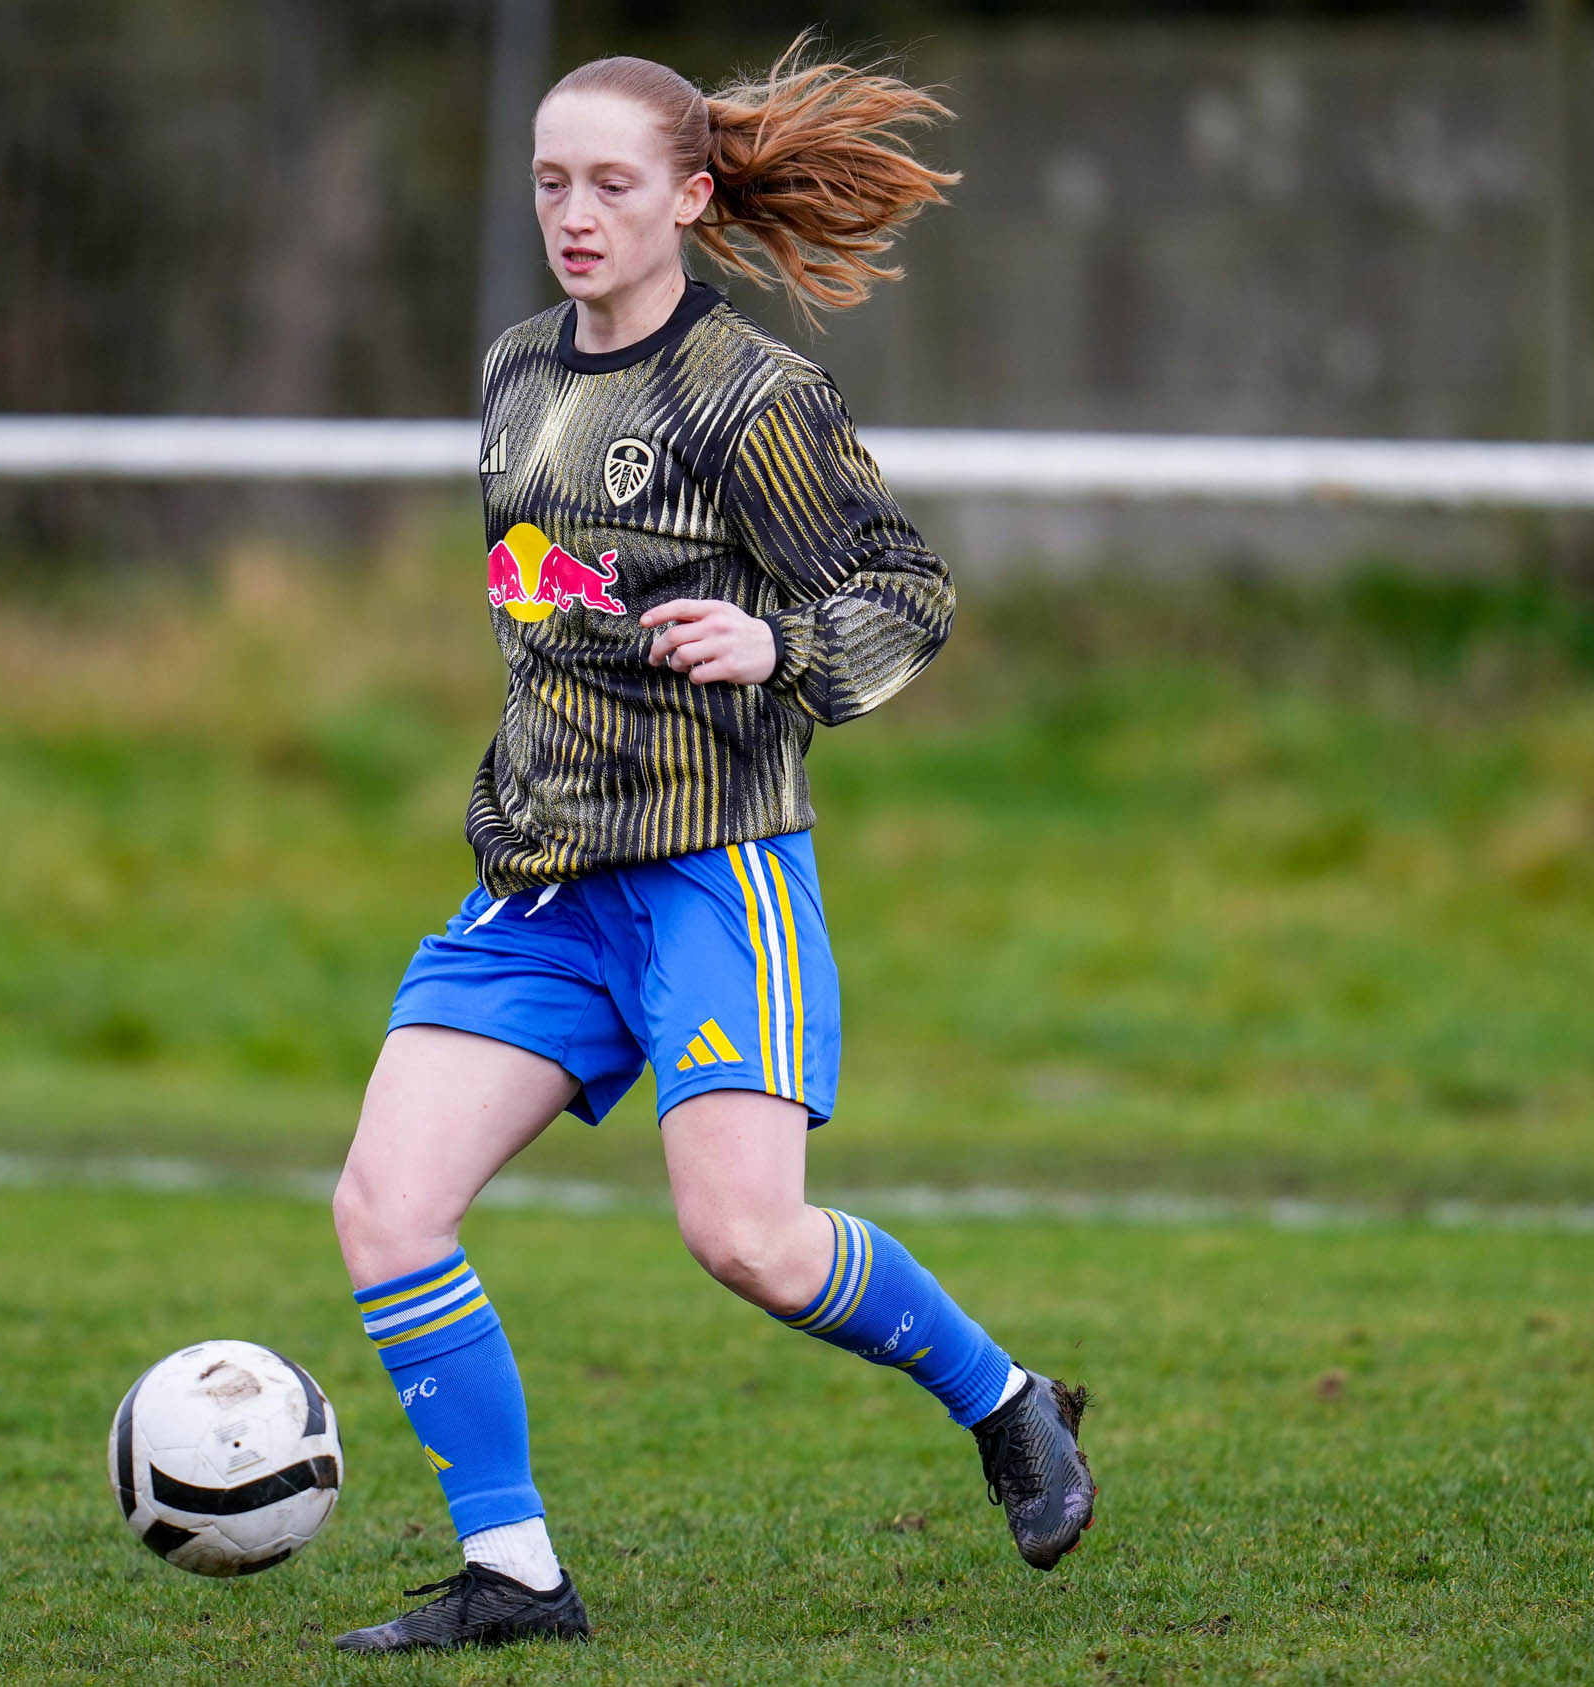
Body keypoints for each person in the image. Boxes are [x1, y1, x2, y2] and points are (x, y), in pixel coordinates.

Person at [329, 44, 1094, 1653]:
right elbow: (551, 601)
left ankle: (1007, 1399)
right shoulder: (517, 374)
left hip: (708, 875)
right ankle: (517, 1575)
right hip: (538, 883)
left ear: (689, 196)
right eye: (550, 182)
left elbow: (909, 592)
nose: (574, 214)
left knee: (744, 1239)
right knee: (386, 1208)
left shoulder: (753, 394)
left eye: (611, 184)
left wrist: (777, 646)